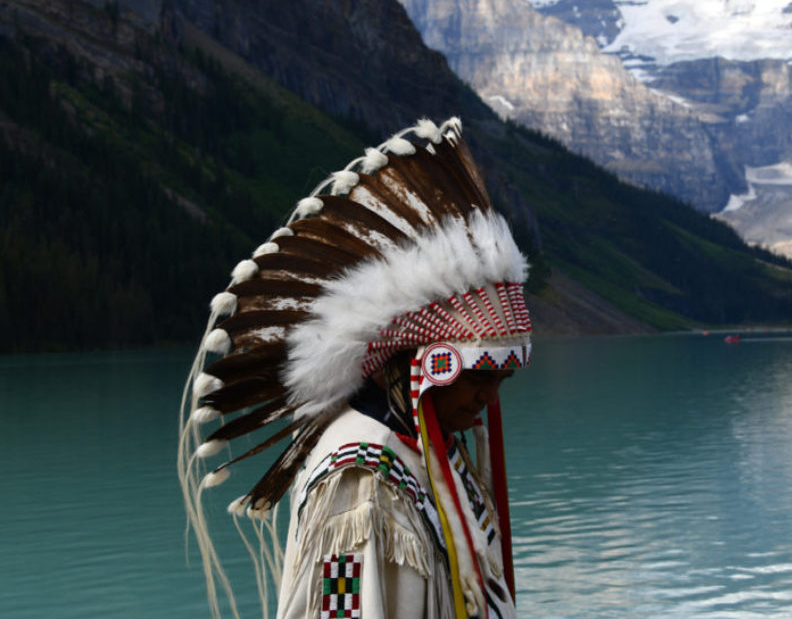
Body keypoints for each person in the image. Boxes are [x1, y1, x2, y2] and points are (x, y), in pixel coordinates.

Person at [178, 118, 531, 619]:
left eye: (501, 381)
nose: (487, 399)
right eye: (477, 377)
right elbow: (339, 610)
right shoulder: (358, 475)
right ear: (418, 365)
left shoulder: (433, 446)